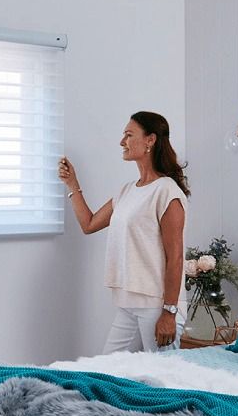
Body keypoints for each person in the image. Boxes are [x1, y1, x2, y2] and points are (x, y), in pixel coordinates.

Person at [59, 111, 190, 353]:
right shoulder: (127, 191)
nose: (122, 142)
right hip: (128, 303)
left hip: (156, 305)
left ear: (150, 140)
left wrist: (169, 312)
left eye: (129, 135)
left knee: (162, 382)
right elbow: (89, 224)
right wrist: (73, 185)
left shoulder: (167, 192)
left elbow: (176, 258)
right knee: (108, 372)